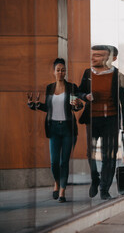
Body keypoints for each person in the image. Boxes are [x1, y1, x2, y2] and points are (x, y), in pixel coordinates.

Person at [27, 58, 83, 203]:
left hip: (67, 129)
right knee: (54, 162)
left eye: (63, 70)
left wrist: (78, 105)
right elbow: (49, 108)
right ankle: (57, 183)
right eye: (58, 70)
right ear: (54, 72)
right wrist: (36, 105)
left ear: (65, 72)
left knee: (64, 161)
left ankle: (62, 191)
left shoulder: (72, 87)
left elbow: (76, 107)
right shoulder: (49, 88)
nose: (60, 72)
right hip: (53, 129)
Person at [78, 45, 124, 200]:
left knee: (109, 155)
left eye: (98, 55)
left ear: (108, 58)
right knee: (90, 153)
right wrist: (85, 96)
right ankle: (95, 178)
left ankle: (104, 189)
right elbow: (78, 92)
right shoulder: (88, 73)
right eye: (92, 54)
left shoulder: (118, 76)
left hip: (111, 120)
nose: (93, 58)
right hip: (92, 120)